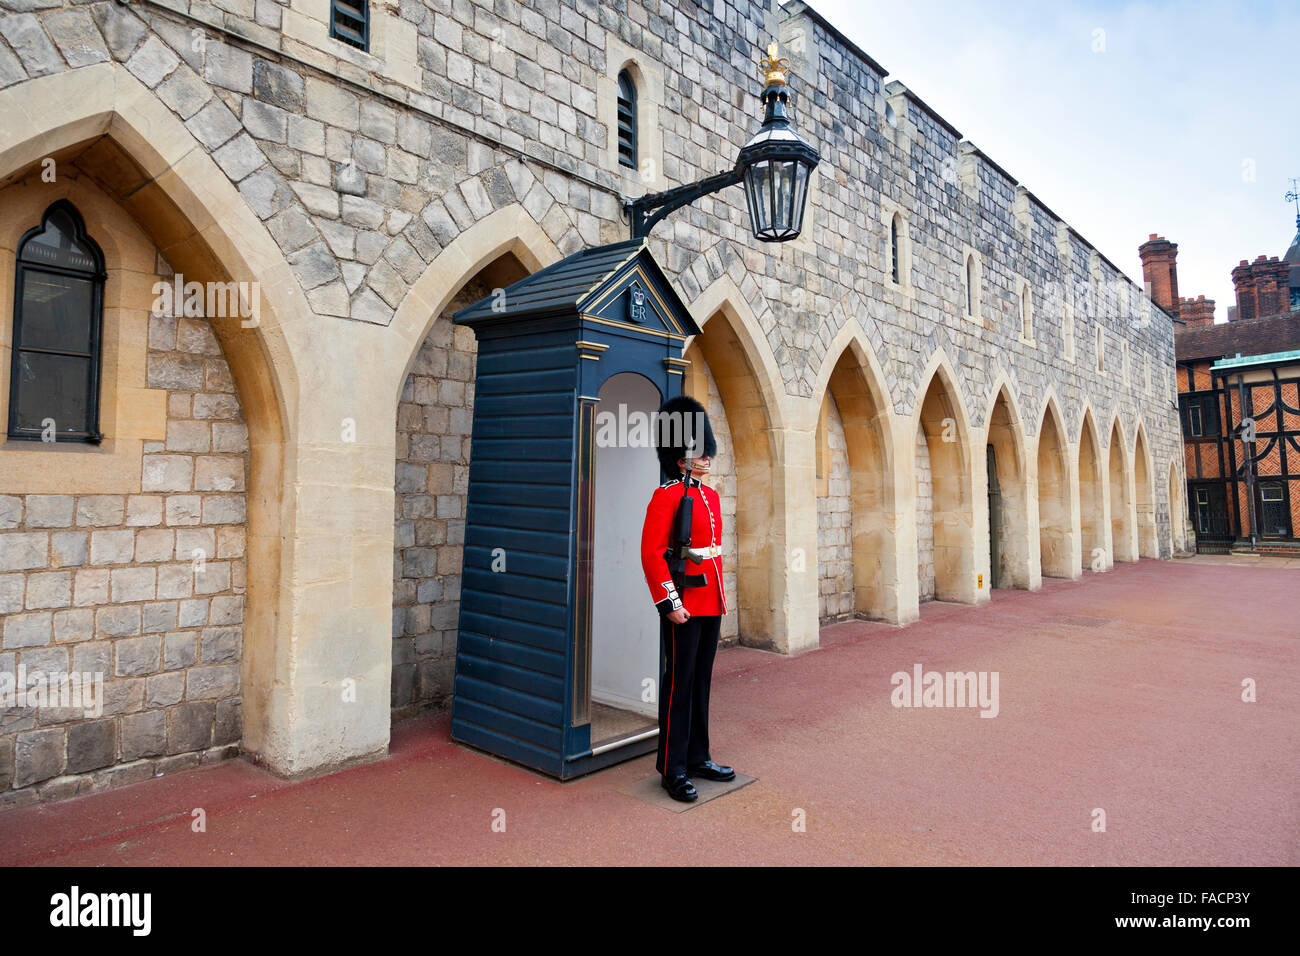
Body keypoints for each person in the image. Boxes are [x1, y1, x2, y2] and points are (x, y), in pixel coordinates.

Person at [640, 394, 736, 802]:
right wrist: (670, 602)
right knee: (678, 685)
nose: (707, 459)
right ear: (682, 458)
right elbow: (651, 554)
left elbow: (710, 551)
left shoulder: (709, 497)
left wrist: (717, 598)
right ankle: (671, 767)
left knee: (700, 682)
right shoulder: (666, 497)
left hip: (710, 601)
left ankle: (699, 756)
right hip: (684, 605)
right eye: (700, 454)